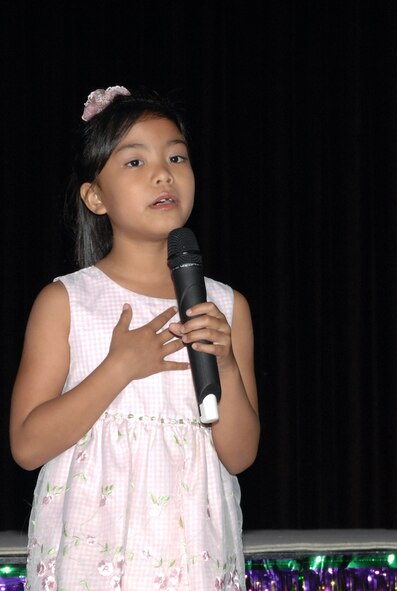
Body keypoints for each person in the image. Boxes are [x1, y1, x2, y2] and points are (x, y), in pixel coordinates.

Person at [8, 85, 259, 590]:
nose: (163, 173)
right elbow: (28, 446)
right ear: (95, 197)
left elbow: (240, 455)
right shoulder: (66, 301)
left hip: (195, 560)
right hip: (91, 561)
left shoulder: (226, 306)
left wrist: (226, 365)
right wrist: (120, 367)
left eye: (176, 157)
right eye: (135, 162)